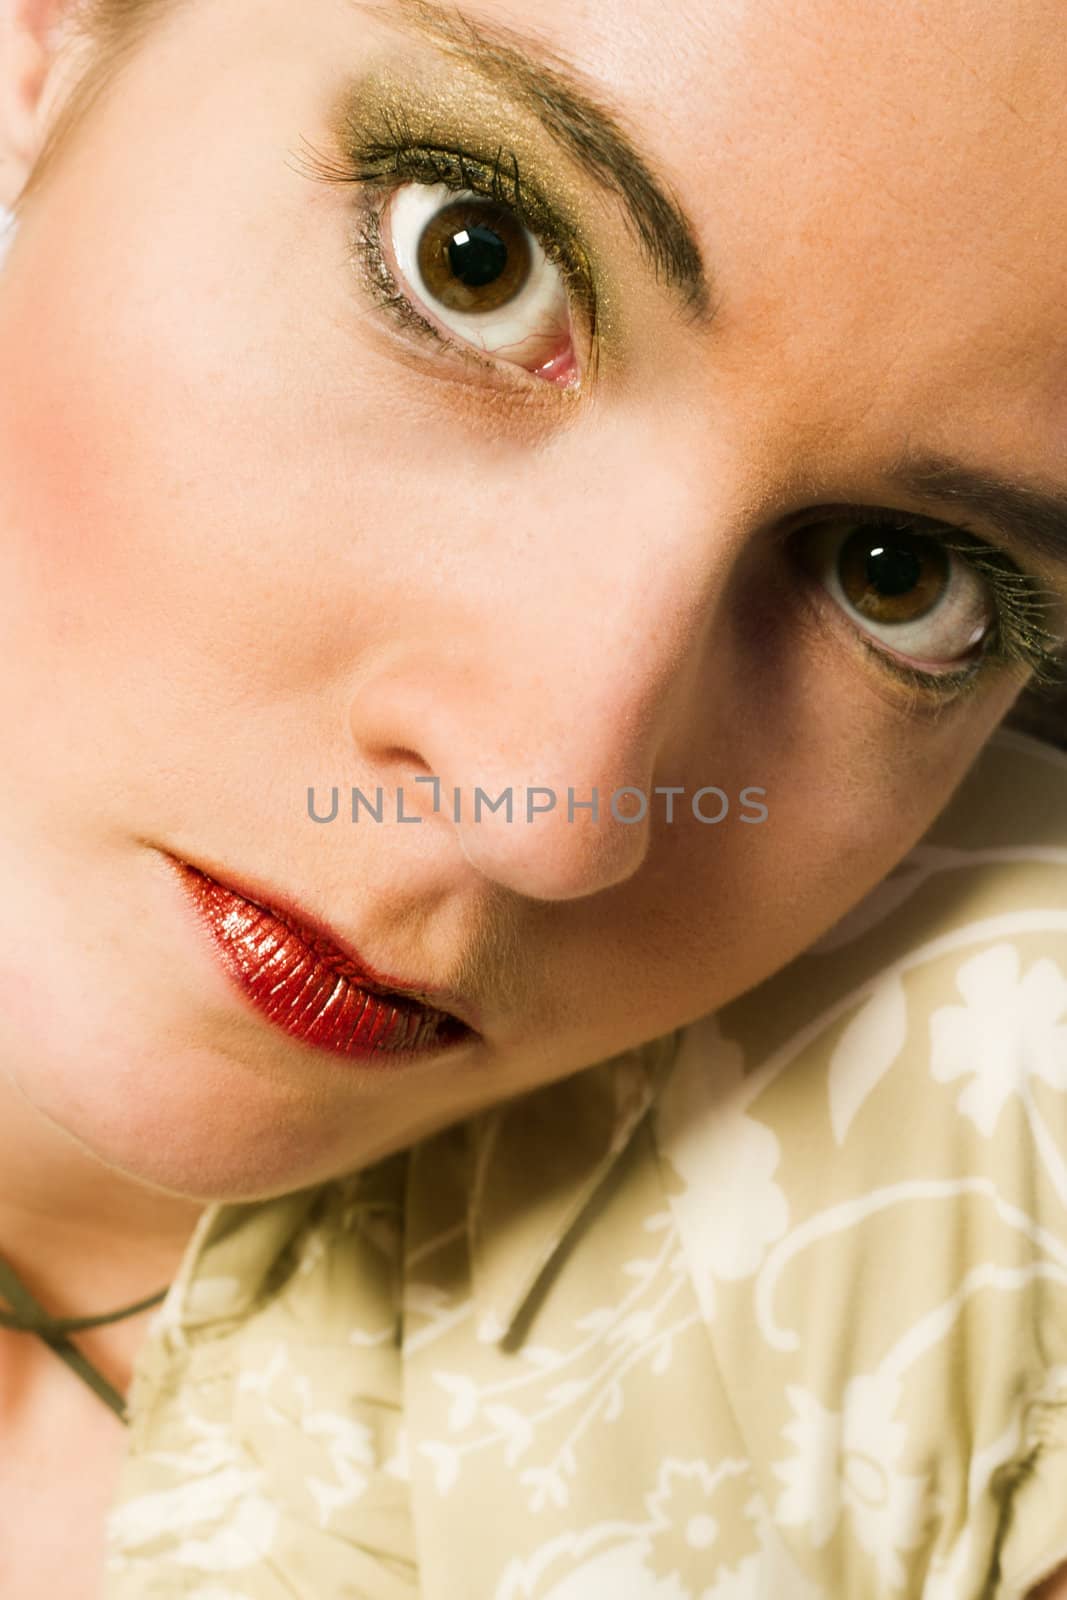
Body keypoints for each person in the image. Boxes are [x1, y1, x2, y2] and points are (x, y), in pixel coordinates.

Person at [1, 0, 1067, 1594]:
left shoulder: (989, 1213)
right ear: (55, 35)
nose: (551, 815)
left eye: (898, 581)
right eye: (474, 258)